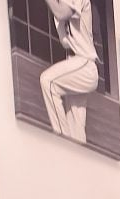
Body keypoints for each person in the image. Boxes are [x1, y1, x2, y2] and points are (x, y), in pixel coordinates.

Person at [39, 0, 100, 144]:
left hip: (84, 64)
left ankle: (62, 145)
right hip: (75, 63)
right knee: (76, 132)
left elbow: (61, 13)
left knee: (48, 82)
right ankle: (77, 161)